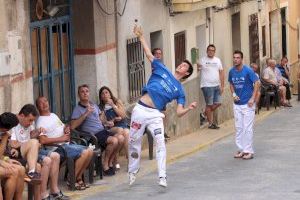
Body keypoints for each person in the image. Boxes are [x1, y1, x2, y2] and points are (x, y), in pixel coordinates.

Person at [128, 25, 197, 187]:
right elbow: (148, 54)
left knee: (160, 142)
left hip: (155, 115)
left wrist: (188, 108)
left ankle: (162, 176)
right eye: (181, 64)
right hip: (140, 109)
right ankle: (133, 170)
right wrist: (141, 37)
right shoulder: (162, 68)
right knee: (133, 141)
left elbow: (179, 112)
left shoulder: (180, 90)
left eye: (185, 66)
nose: (181, 65)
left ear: (187, 73)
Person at [10, 104, 69, 200]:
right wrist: (30, 143)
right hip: (20, 153)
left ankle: (54, 190)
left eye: (33, 120)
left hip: (32, 151)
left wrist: (37, 132)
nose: (31, 123)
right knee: (46, 160)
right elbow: (13, 144)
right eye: (29, 120)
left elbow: (31, 135)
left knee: (55, 156)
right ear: (21, 116)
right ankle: (42, 193)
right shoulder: (14, 123)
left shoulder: (29, 123)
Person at [36, 96, 93, 190]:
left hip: (66, 145)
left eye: (45, 101)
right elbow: (43, 140)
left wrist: (66, 128)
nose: (45, 104)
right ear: (38, 107)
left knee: (90, 150)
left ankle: (77, 178)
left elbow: (63, 125)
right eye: (41, 103)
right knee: (85, 152)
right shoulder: (40, 121)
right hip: (57, 149)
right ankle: (73, 180)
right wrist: (61, 138)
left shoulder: (53, 115)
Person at [70, 84, 122, 176]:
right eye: (82, 92)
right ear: (79, 95)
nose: (85, 93)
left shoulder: (93, 104)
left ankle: (109, 162)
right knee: (114, 141)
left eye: (87, 91)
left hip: (102, 130)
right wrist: (86, 113)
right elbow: (72, 126)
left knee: (121, 138)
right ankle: (105, 165)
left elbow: (101, 119)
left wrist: (108, 122)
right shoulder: (77, 109)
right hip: (93, 136)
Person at [228, 50, 259, 160]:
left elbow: (257, 83)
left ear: (241, 59)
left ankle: (249, 151)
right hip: (237, 104)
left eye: (237, 58)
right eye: (234, 57)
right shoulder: (231, 71)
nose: (235, 59)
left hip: (248, 104)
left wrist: (252, 98)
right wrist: (233, 94)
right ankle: (241, 149)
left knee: (247, 128)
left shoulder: (248, 71)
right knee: (239, 128)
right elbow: (231, 84)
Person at [99, 86, 129, 170]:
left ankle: (129, 161)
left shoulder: (117, 101)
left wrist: (112, 105)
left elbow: (123, 115)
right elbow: (103, 122)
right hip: (111, 127)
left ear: (110, 93)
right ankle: (115, 160)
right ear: (100, 97)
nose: (105, 95)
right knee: (120, 131)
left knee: (126, 133)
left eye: (106, 92)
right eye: (102, 94)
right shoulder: (101, 107)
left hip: (122, 124)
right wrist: (113, 120)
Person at [198, 44, 224, 129]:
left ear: (214, 52)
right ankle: (210, 124)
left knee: (218, 103)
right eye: (209, 50)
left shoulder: (217, 60)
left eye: (212, 50)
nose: (211, 52)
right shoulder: (202, 60)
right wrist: (197, 66)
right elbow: (197, 68)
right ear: (207, 51)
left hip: (217, 85)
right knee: (209, 104)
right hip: (207, 85)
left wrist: (222, 85)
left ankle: (204, 114)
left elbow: (221, 73)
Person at [0, 112, 25, 200]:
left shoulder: (2, 132)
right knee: (13, 171)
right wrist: (5, 137)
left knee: (21, 169)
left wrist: (6, 159)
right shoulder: (4, 133)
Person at [152, 47, 170, 139]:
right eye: (156, 54)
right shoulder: (154, 64)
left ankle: (163, 132)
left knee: (163, 114)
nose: (158, 55)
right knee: (158, 115)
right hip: (156, 93)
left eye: (160, 53)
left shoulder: (162, 65)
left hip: (162, 93)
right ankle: (159, 134)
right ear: (153, 55)